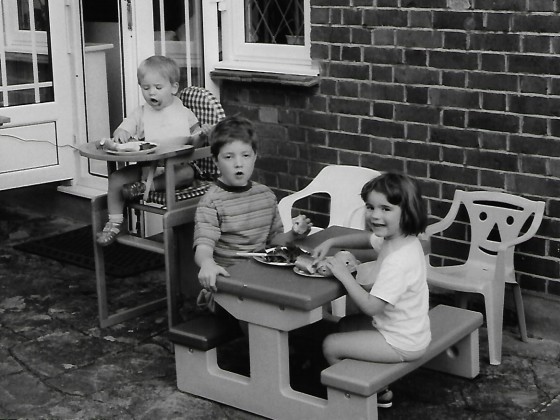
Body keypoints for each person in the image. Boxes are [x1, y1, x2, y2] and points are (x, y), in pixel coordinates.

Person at [312, 172, 430, 409]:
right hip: (408, 329)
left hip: (401, 342)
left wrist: (344, 275)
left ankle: (362, 398)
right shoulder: (399, 239)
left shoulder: (398, 261)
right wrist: (332, 242)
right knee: (344, 325)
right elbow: (367, 239)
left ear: (407, 212)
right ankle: (370, 381)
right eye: (370, 207)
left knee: (330, 344)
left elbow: (370, 307)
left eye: (386, 209)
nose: (375, 215)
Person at [97, 55, 209, 246]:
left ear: (173, 87)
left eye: (158, 88)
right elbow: (124, 128)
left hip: (176, 168)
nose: (151, 93)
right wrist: (121, 134)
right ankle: (115, 222)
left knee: (187, 172)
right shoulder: (140, 113)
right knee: (116, 178)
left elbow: (195, 140)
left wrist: (202, 135)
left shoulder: (184, 113)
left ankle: (144, 188)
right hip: (148, 167)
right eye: (145, 88)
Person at [194, 115, 312, 293]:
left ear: (255, 157)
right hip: (229, 281)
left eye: (246, 155)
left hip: (264, 277)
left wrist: (295, 234)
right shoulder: (211, 201)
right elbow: (203, 246)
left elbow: (275, 242)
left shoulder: (265, 195)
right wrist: (207, 264)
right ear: (215, 161)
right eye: (228, 157)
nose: (238, 163)